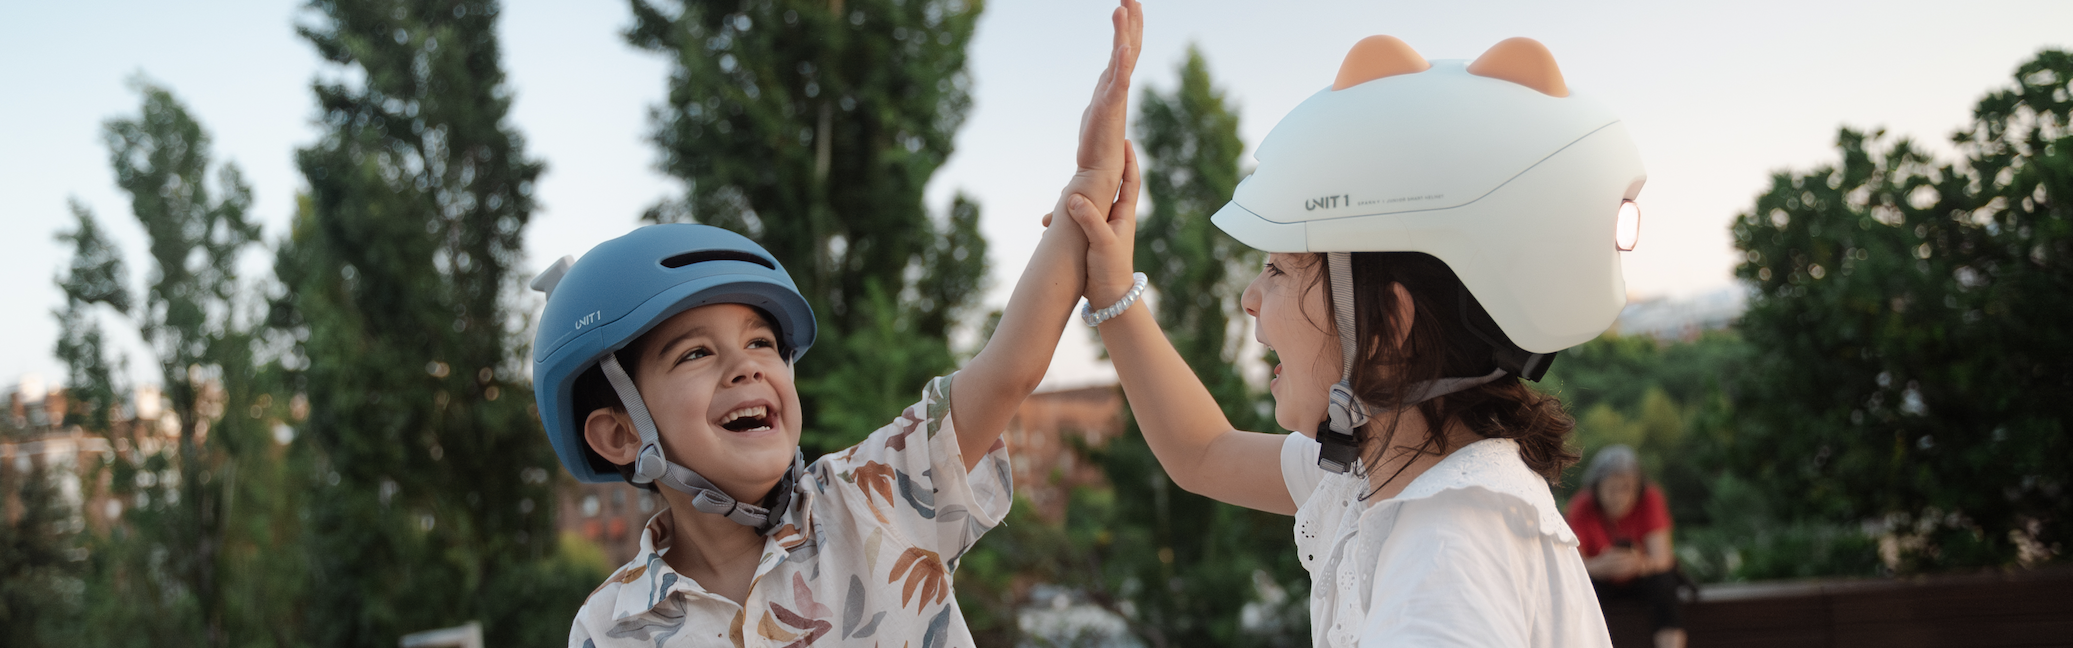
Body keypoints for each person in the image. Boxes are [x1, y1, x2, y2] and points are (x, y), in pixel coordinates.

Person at [531, 3, 1146, 645]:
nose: (746, 365)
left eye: (762, 343)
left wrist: (1090, 179)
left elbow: (1010, 371)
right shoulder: (611, 626)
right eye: (694, 355)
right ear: (621, 434)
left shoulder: (874, 498)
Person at [1062, 33, 1646, 646]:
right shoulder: (1385, 473)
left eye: (1279, 270)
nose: (1250, 298)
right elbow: (1201, 452)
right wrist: (1112, 289)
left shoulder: (1448, 555)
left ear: (1388, 327)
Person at [1566, 445, 1687, 648]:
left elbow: (1662, 559)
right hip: (1601, 580)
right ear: (1596, 489)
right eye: (1612, 489)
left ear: (1638, 488)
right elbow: (1571, 565)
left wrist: (1637, 564)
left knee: (1664, 584)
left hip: (1642, 579)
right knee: (1579, 591)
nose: (1619, 497)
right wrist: (1601, 566)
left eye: (1626, 488)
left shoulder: (1651, 498)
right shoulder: (1581, 505)